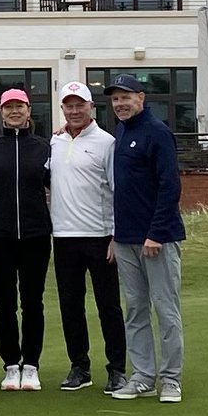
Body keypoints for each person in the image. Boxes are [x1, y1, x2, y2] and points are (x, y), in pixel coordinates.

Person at [104, 74, 186, 404]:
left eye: (126, 98)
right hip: (125, 239)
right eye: (115, 99)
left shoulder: (158, 133)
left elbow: (170, 187)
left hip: (157, 239)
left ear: (141, 97)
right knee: (135, 310)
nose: (120, 104)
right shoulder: (121, 132)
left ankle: (170, 379)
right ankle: (142, 376)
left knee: (165, 309)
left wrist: (155, 233)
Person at [49, 81, 127, 394]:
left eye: (80, 104)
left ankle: (117, 369)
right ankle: (79, 366)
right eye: (69, 105)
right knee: (70, 306)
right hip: (64, 236)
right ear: (63, 109)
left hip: (100, 237)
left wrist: (115, 236)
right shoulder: (54, 142)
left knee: (109, 306)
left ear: (91, 107)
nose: (74, 110)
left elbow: (117, 191)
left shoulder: (107, 142)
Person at [0, 89, 51, 392]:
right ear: (1, 112)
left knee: (33, 303)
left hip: (36, 236)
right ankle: (11, 365)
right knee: (4, 304)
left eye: (19, 106)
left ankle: (31, 365)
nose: (14, 111)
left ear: (28, 110)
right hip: (1, 237)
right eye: (8, 107)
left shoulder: (44, 147)